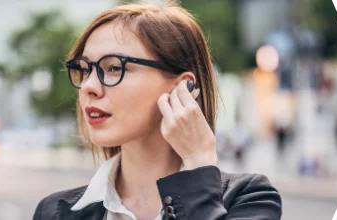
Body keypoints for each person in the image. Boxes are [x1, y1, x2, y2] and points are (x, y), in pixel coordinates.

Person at [33, 3, 282, 220]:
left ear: (183, 86)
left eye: (113, 68)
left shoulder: (249, 199)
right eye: (85, 69)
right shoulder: (54, 212)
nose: (88, 86)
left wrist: (199, 164)